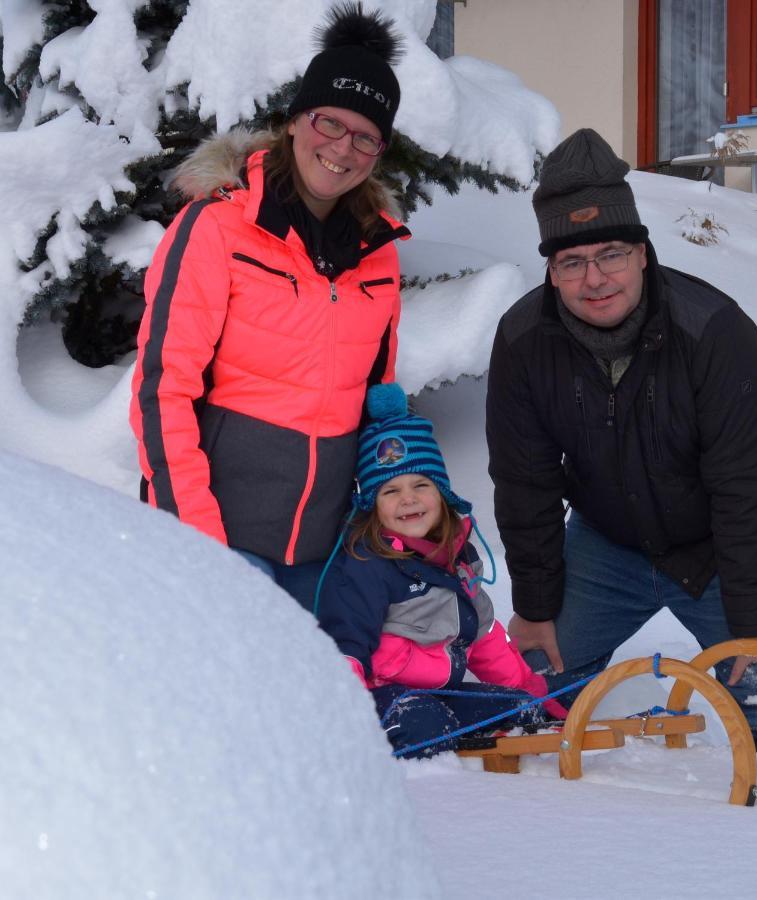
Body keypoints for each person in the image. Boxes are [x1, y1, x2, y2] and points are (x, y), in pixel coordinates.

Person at [486, 129, 757, 751]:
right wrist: (535, 605)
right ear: (551, 271)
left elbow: (748, 488)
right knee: (536, 700)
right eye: (571, 262)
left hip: (713, 552)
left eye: (610, 254)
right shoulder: (524, 341)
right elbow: (526, 485)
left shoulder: (714, 331)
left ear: (642, 253)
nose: (594, 278)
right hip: (605, 549)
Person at [130, 3, 408, 610]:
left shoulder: (379, 252)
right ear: (294, 121)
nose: (343, 148)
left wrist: (406, 508)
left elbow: (379, 401)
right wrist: (195, 536)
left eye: (366, 136)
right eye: (329, 122)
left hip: (326, 550)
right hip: (222, 539)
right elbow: (162, 390)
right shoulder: (216, 227)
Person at [316, 383, 567, 759]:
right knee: (423, 723)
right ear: (373, 505)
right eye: (390, 491)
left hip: (438, 693)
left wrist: (531, 691)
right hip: (380, 696)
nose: (408, 499)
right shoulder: (367, 565)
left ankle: (492, 729)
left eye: (421, 484)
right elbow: (346, 647)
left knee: (518, 709)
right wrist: (342, 720)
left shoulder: (457, 555)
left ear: (442, 494)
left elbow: (481, 636)